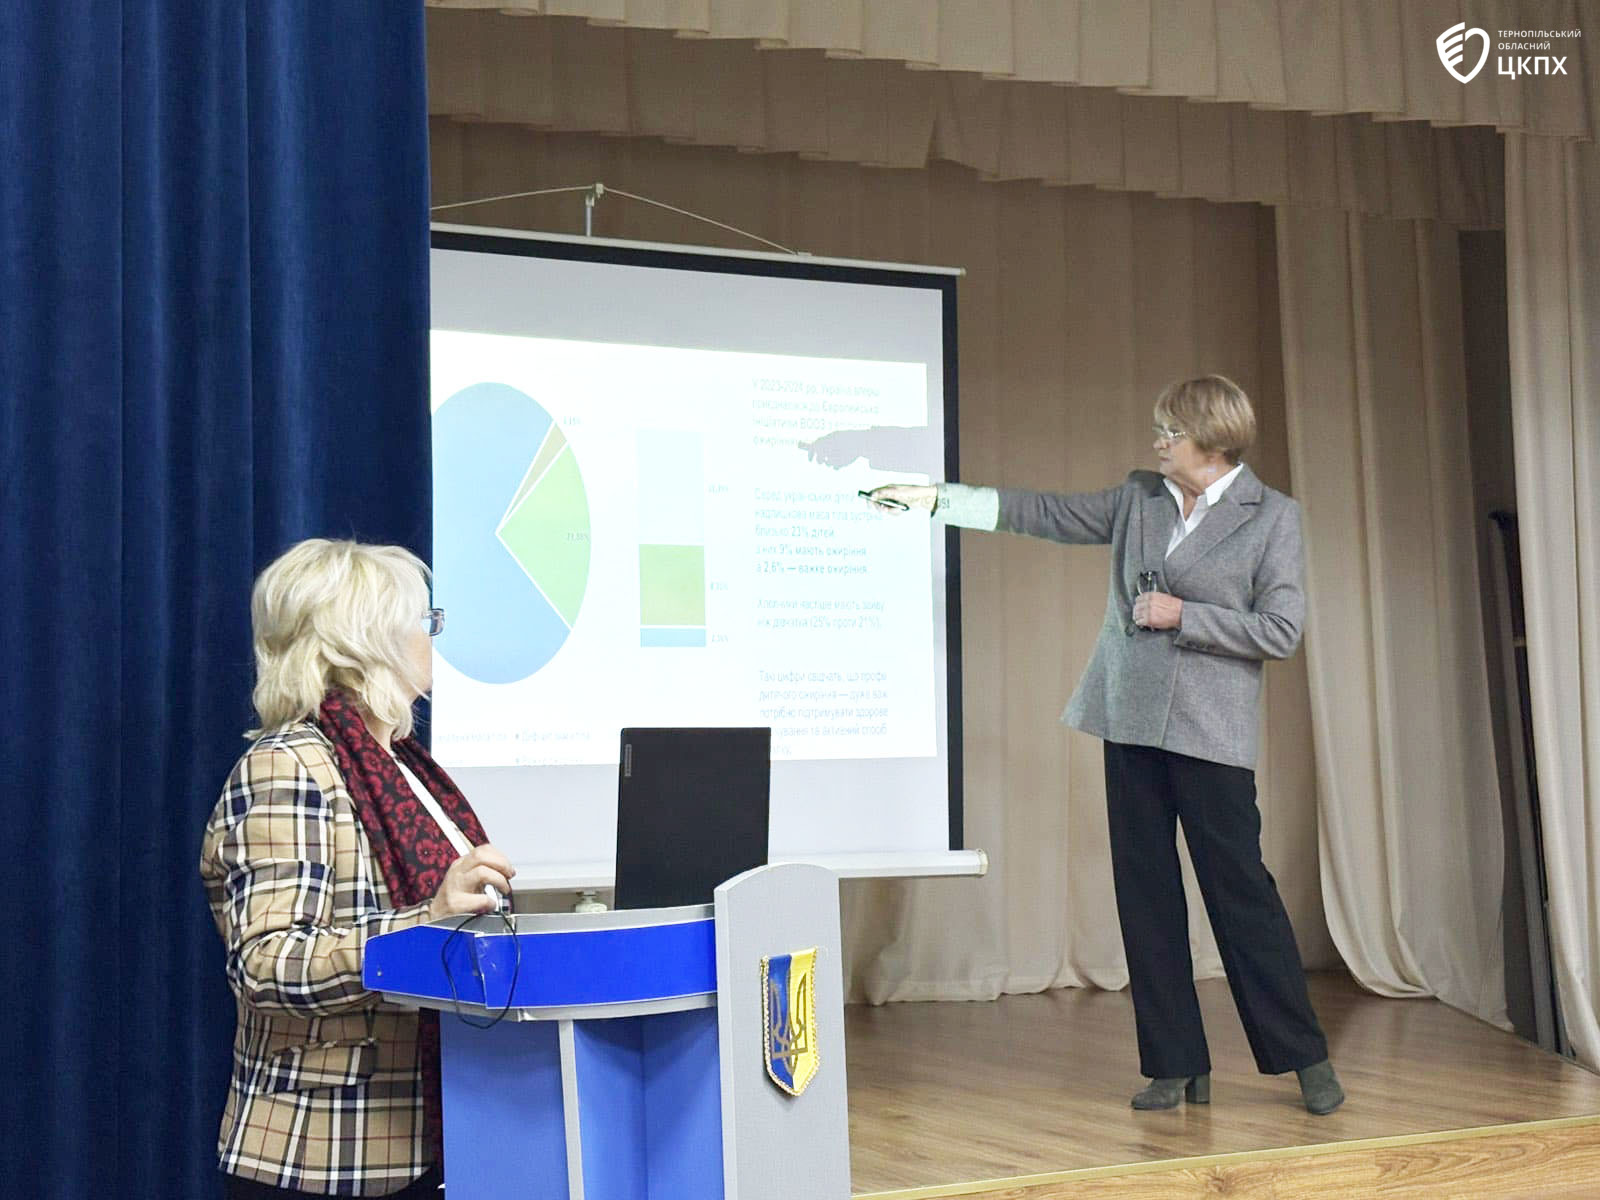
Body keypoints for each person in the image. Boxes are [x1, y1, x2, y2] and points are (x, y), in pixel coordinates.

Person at [868, 374, 1343, 1115]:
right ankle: (1175, 1064)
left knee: (1241, 895)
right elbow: (1047, 514)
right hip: (1129, 722)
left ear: (1212, 441)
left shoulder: (1273, 516)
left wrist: (1184, 615)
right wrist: (938, 500)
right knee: (1145, 896)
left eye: (1170, 432)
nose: (1157, 442)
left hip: (1211, 734)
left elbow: (1280, 631)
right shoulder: (1139, 498)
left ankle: (1304, 1057)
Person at [199, 539, 517, 1197]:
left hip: (426, 1138)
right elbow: (267, 963)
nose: (433, 636)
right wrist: (424, 922)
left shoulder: (403, 765)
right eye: (425, 620)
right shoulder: (290, 765)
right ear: (367, 639)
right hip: (321, 1155)